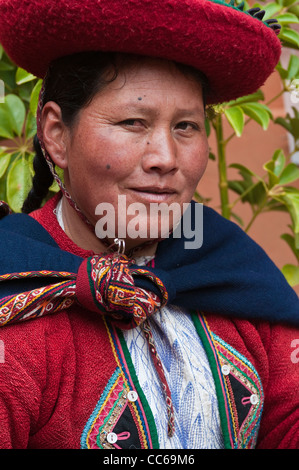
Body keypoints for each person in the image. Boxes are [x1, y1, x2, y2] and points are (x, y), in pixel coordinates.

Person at [0, 0, 298, 450]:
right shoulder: (17, 293)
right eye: (133, 122)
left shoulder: (232, 271)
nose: (165, 159)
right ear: (57, 135)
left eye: (185, 126)